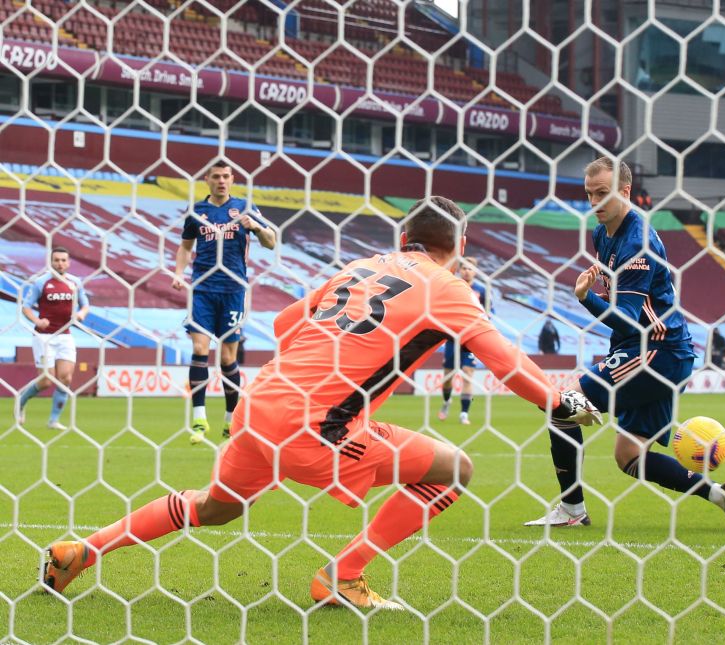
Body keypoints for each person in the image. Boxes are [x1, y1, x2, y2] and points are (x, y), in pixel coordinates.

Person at [42, 196, 600, 609]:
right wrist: (561, 402)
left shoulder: (359, 267)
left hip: (259, 407)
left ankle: (81, 551)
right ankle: (344, 574)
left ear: (404, 234)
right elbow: (505, 362)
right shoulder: (447, 287)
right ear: (459, 247)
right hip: (317, 428)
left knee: (216, 507)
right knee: (454, 471)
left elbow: (286, 324)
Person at [524, 158, 725, 529]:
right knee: (629, 456)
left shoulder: (637, 242)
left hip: (655, 351)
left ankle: (572, 511)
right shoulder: (603, 234)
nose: (595, 203)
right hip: (660, 351)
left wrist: (585, 298)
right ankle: (720, 495)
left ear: (625, 192)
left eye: (602, 194)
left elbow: (626, 318)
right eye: (589, 195)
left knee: (561, 405)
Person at [172, 160, 276, 443]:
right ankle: (199, 419)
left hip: (233, 291)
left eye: (225, 176)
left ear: (232, 179)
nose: (221, 181)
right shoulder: (197, 212)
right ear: (207, 179)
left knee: (228, 357)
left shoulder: (244, 207)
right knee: (199, 348)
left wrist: (254, 225)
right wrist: (179, 273)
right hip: (202, 290)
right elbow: (185, 247)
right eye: (216, 176)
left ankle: (231, 419)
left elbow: (271, 241)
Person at [17, 247, 90, 431]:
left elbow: (85, 304)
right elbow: (26, 307)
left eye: (63, 260)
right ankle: (21, 401)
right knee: (46, 380)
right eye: (56, 260)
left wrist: (80, 315)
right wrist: (37, 320)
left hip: (65, 336)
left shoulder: (75, 282)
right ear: (51, 262)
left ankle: (53, 420)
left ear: (69, 262)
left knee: (65, 379)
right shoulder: (41, 282)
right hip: (44, 337)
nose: (60, 263)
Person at [437, 256, 492, 425]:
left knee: (468, 375)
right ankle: (447, 401)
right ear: (459, 270)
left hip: (471, 338)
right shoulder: (452, 287)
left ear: (475, 271)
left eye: (470, 268)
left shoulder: (482, 291)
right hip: (453, 337)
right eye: (464, 268)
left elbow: (489, 313)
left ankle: (464, 414)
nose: (467, 271)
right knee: (448, 377)